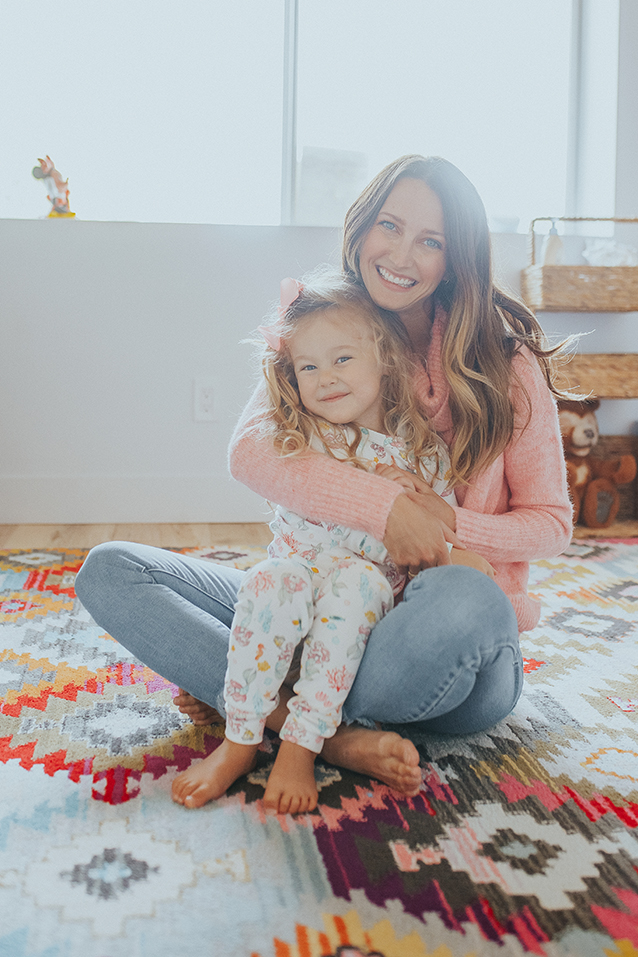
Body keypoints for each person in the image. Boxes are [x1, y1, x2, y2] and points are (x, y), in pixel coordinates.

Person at [74, 154, 572, 802]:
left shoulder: (505, 362)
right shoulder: (326, 320)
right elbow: (251, 450)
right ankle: (322, 736)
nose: (400, 253)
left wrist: (447, 525)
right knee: (111, 570)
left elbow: (553, 524)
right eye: (389, 225)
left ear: (456, 259)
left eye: (431, 241)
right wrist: (388, 507)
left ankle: (260, 708)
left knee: (468, 598)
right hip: (315, 601)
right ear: (362, 225)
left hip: (432, 635)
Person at [170, 274, 493, 814]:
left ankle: (299, 746)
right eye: (308, 367)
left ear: (384, 358)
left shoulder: (426, 455)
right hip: (287, 604)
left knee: (356, 582)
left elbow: (437, 549)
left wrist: (441, 537)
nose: (326, 379)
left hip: (361, 624)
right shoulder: (298, 441)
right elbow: (301, 519)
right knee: (271, 578)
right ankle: (240, 741)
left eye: (343, 359)